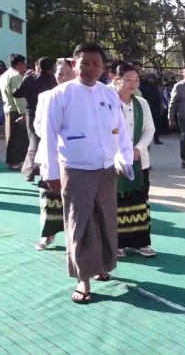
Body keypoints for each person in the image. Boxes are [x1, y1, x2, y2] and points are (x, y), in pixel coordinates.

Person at [41, 42, 134, 303]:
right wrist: (50, 172)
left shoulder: (109, 95)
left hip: (106, 169)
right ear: (74, 64)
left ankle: (101, 266)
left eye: (96, 64)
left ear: (103, 68)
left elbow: (120, 130)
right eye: (85, 63)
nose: (91, 68)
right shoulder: (60, 95)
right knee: (79, 223)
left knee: (106, 220)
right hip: (75, 169)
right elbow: (48, 136)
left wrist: (124, 158)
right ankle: (83, 278)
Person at [112, 61, 157, 258]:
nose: (133, 84)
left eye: (136, 80)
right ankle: (117, 243)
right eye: (128, 79)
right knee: (118, 202)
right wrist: (121, 151)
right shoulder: (109, 102)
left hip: (140, 160)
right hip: (116, 161)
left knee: (140, 200)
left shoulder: (141, 103)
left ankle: (141, 242)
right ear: (116, 80)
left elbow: (150, 129)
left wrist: (138, 148)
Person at [33, 58, 75, 250]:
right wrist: (54, 136)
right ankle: (47, 234)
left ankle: (75, 238)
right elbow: (38, 125)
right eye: (60, 74)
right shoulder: (46, 96)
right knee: (49, 197)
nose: (64, 77)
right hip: (51, 153)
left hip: (74, 156)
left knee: (74, 199)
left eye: (68, 73)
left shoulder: (82, 96)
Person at [13, 57, 58, 181]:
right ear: (52, 67)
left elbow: (16, 93)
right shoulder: (54, 80)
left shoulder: (29, 79)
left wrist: (24, 79)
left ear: (38, 66)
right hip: (48, 114)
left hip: (31, 114)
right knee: (48, 143)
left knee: (33, 143)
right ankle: (40, 171)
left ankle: (29, 170)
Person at [1, 54, 29, 170]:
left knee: (10, 136)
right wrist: (23, 112)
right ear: (19, 64)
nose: (25, 66)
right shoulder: (15, 75)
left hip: (8, 108)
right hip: (15, 109)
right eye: (24, 63)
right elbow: (18, 96)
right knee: (17, 137)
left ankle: (12, 161)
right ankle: (15, 162)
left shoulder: (4, 75)